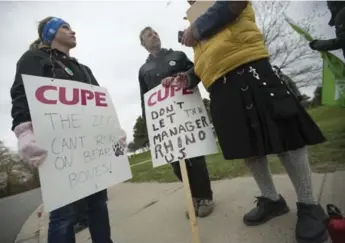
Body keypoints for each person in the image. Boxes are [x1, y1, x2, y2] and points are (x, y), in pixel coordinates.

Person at [162, 1, 328, 242]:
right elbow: (206, 61)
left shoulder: (202, 19)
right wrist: (185, 78)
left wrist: (195, 29)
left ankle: (309, 204)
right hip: (220, 87)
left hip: (250, 68)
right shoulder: (195, 20)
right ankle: (271, 199)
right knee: (248, 147)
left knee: (286, 136)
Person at [10, 16, 119, 243]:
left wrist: (113, 130)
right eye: (65, 27)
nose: (72, 31)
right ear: (49, 33)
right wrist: (25, 132)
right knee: (65, 214)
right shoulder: (33, 59)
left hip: (89, 148)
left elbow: (99, 103)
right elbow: (21, 95)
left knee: (98, 204)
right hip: (58, 150)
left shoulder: (83, 69)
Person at [138, 26, 214, 218]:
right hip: (165, 125)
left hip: (186, 114)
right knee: (175, 162)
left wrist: (181, 78)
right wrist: (151, 127)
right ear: (143, 44)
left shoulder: (178, 56)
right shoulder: (144, 70)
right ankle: (193, 196)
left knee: (195, 157)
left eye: (155, 32)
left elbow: (196, 72)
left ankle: (205, 197)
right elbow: (144, 99)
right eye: (148, 35)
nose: (154, 35)